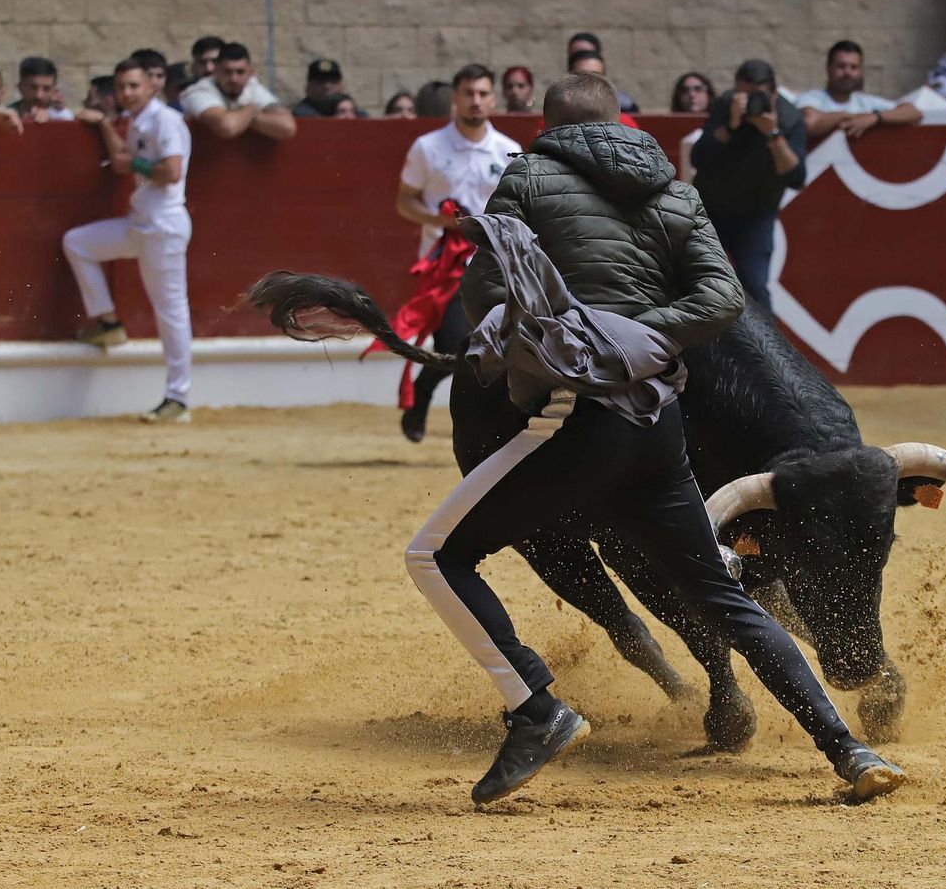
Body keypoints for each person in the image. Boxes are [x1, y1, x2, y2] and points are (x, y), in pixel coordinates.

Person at [395, 70, 905, 806]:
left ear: (550, 126)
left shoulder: (528, 176)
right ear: (621, 122)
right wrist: (639, 338)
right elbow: (724, 298)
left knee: (436, 554)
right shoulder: (674, 189)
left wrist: (572, 343)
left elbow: (483, 294)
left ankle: (537, 710)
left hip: (574, 419)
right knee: (725, 599)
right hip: (660, 423)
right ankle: (850, 750)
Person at [390, 63, 522, 443]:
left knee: (491, 347)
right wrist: (443, 222)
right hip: (445, 267)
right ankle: (425, 398)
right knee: (454, 346)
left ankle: (480, 421)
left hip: (496, 264)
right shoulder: (428, 147)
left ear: (492, 99)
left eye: (483, 94)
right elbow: (405, 202)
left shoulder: (509, 150)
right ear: (455, 99)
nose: (476, 101)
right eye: (469, 94)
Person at [60, 57, 194, 424]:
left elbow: (171, 170)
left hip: (163, 226)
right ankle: (109, 325)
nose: (127, 93)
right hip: (142, 224)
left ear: (152, 85)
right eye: (121, 87)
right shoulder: (140, 120)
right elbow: (125, 156)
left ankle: (178, 398)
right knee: (78, 243)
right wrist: (104, 122)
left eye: (133, 86)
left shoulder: (165, 119)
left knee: (171, 312)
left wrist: (134, 167)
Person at [690, 59, 807, 311]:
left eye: (758, 96)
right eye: (744, 94)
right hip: (711, 211)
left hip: (756, 214)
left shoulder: (789, 118)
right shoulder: (725, 106)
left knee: (754, 286)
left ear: (773, 94)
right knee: (701, 282)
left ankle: (766, 350)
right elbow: (698, 157)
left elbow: (797, 178)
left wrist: (773, 133)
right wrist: (730, 126)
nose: (751, 102)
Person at [797, 40, 924, 140]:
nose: (847, 72)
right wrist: (852, 117)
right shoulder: (812, 98)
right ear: (828, 69)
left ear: (861, 71)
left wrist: (875, 118)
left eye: (854, 67)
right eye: (841, 66)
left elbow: (914, 112)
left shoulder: (866, 102)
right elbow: (810, 124)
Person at [178, 42, 297, 140]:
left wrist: (243, 116)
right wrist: (250, 110)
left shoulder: (252, 86)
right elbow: (227, 127)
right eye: (227, 72)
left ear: (250, 72)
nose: (234, 79)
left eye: (240, 72)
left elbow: (287, 127)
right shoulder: (198, 91)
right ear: (216, 71)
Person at [566, 32, 639, 113]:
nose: (589, 81)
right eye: (582, 75)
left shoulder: (623, 105)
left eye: (595, 75)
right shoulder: (559, 106)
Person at [10, 57, 75, 122]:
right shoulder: (4, 117)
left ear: (55, 90)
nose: (39, 96)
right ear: (20, 87)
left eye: (46, 89)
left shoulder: (66, 118)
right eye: (33, 88)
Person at [293, 59, 365, 117]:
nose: (327, 87)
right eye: (320, 81)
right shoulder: (301, 116)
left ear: (342, 86)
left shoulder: (358, 115)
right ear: (308, 88)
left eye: (333, 81)